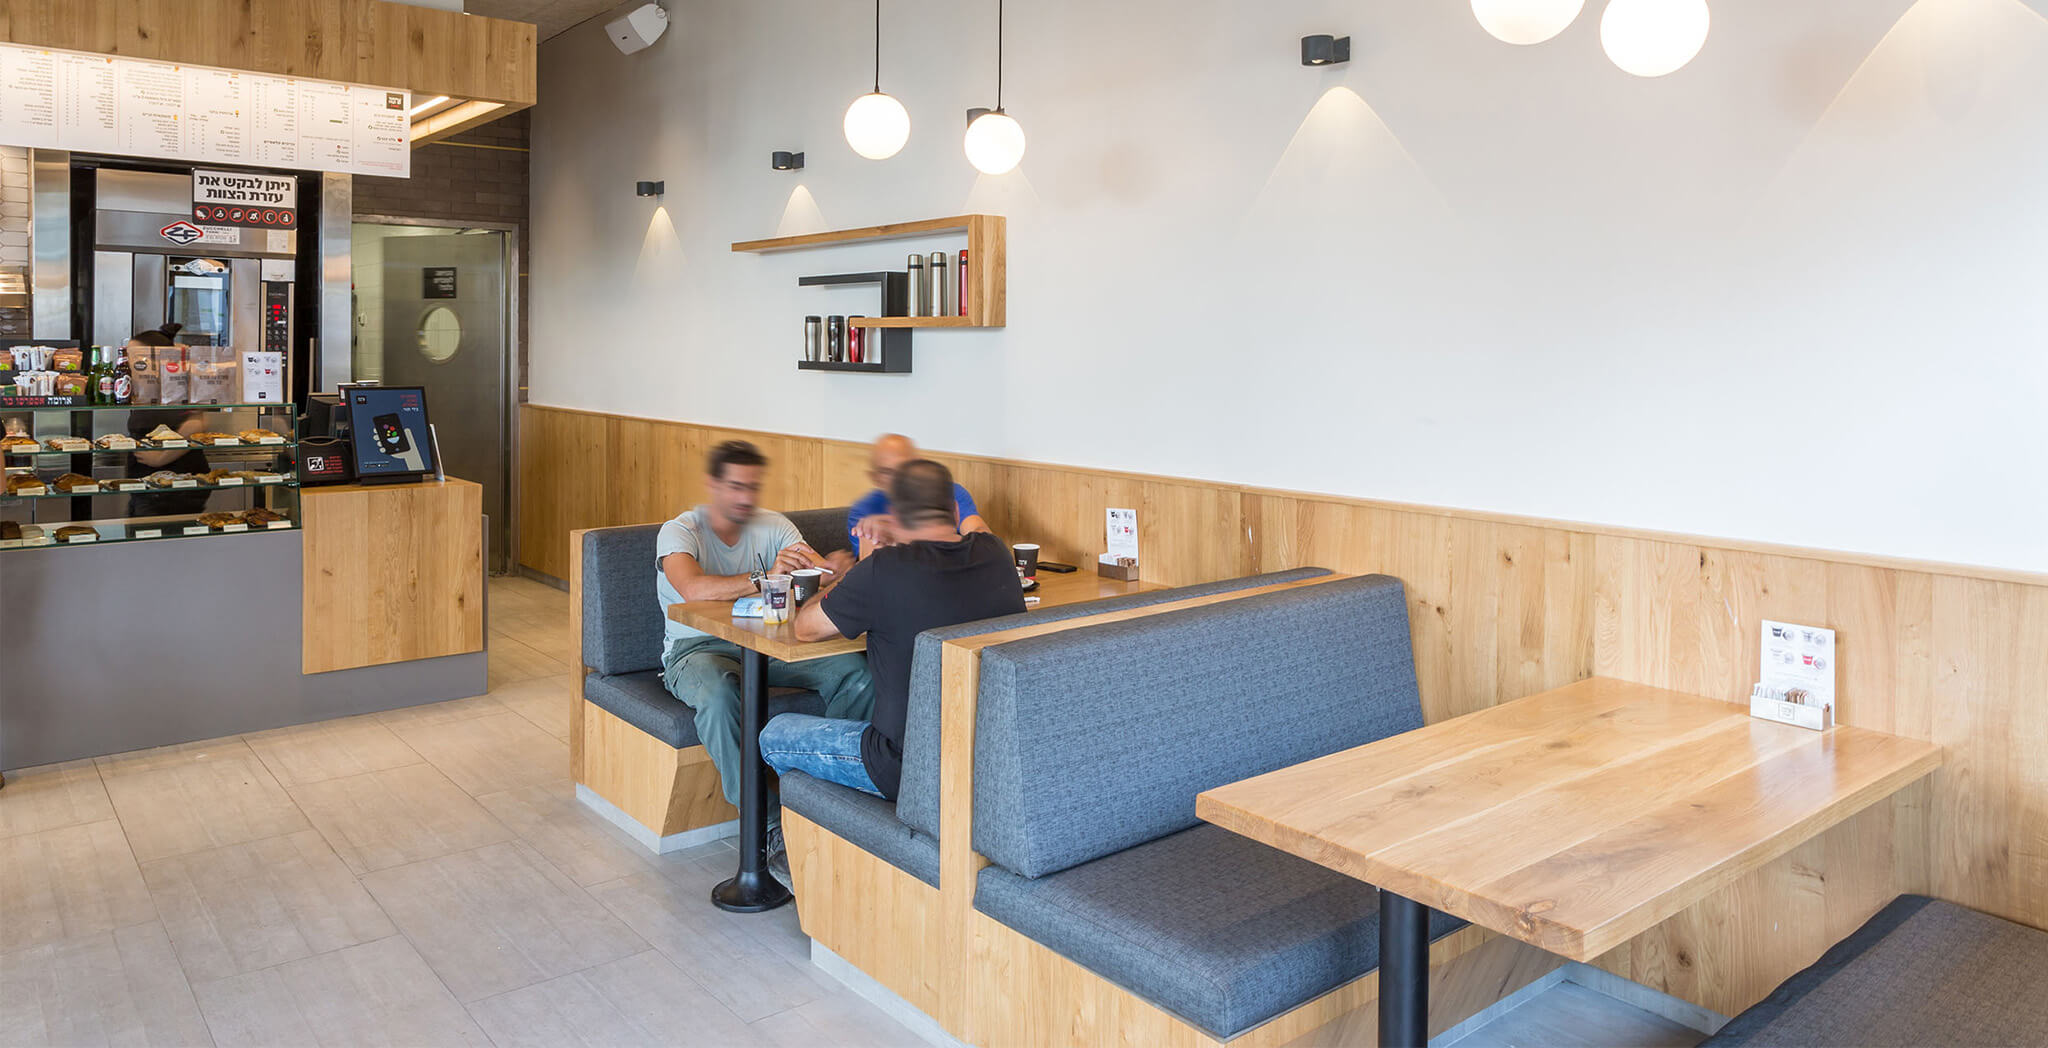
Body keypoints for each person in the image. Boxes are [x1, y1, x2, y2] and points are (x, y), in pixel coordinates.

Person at [765, 459, 1026, 802]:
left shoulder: (882, 570)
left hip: (904, 766)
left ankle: (839, 825)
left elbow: (805, 628)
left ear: (897, 513)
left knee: (774, 734)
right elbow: (974, 528)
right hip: (993, 756)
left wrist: (852, 571)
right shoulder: (995, 552)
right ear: (952, 508)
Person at [657, 440, 873, 840]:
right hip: (696, 649)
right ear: (713, 485)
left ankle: (820, 801)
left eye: (753, 487)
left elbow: (816, 574)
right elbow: (692, 588)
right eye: (736, 487)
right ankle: (769, 826)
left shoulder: (774, 525)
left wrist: (838, 571)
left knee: (857, 674)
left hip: (772, 643)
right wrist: (765, 576)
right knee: (720, 697)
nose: (746, 497)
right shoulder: (681, 530)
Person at [847, 433, 991, 558]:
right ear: (875, 477)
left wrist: (898, 536)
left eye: (905, 468)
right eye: (887, 472)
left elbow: (983, 537)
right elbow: (869, 571)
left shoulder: (948, 492)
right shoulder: (864, 512)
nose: (899, 478)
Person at [123, 324, 211, 518]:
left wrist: (160, 457)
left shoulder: (178, 383)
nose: (127, 360)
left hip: (177, 480)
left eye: (134, 354)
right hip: (148, 480)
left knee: (158, 541)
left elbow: (197, 425)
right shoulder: (143, 386)